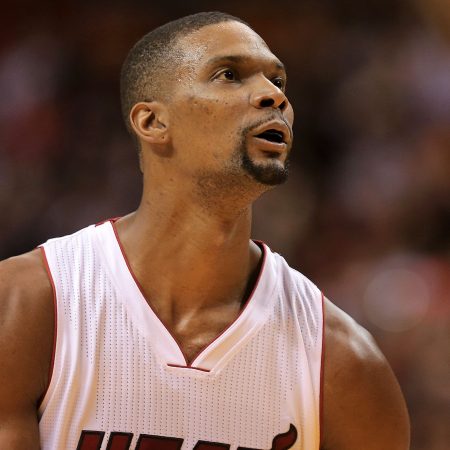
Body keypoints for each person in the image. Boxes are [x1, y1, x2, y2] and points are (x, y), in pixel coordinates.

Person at [0, 11, 410, 450]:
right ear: (152, 123)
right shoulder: (29, 306)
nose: (273, 96)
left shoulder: (343, 362)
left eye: (279, 82)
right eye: (230, 75)